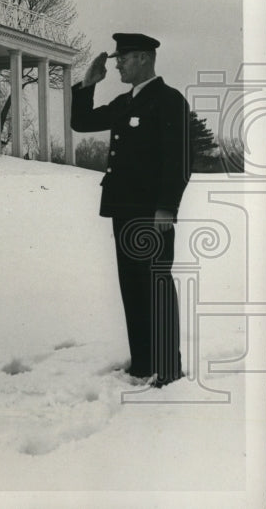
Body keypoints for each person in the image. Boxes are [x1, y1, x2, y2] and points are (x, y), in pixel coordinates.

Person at [70, 33, 191, 388]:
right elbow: (82, 123)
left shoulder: (168, 101)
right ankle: (142, 364)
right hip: (123, 208)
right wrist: (87, 85)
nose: (118, 64)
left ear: (142, 58)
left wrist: (167, 207)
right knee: (132, 288)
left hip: (152, 212)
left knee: (156, 285)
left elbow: (179, 160)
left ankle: (169, 369)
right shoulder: (126, 102)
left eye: (123, 58)